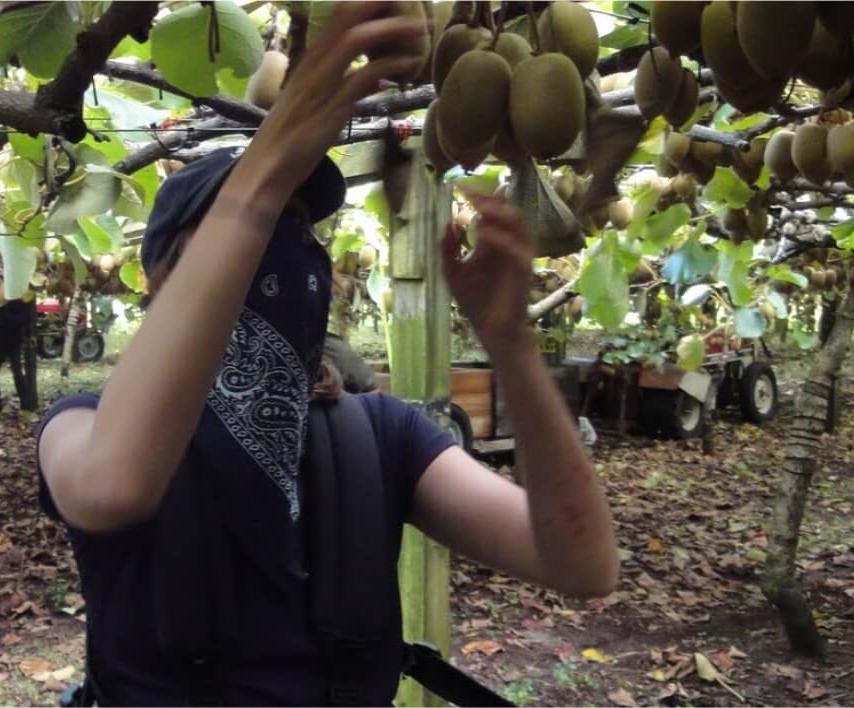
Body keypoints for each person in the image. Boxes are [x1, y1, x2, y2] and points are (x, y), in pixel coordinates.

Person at [33, 5, 619, 704]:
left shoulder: (377, 436)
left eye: (296, 227)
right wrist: (261, 178)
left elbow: (580, 564)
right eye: (248, 227)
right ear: (159, 280)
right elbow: (111, 488)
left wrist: (512, 348)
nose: (275, 242)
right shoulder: (82, 426)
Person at [0, 298, 36, 411]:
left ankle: (22, 403)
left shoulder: (7, 299)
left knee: (12, 371)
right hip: (1, 338)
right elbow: (25, 318)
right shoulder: (10, 298)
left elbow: (25, 318)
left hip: (7, 339)